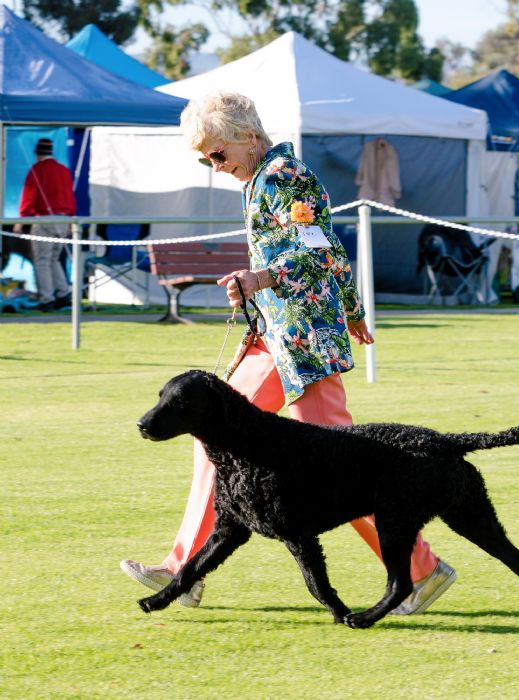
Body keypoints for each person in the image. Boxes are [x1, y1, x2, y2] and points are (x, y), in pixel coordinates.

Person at [121, 91, 456, 614]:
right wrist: (352, 309)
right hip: (273, 341)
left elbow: (317, 252)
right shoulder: (258, 178)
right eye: (205, 160)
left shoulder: (285, 178)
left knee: (342, 471)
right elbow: (331, 248)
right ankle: (184, 570)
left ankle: (422, 571)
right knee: (210, 435)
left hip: (304, 346)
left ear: (249, 137)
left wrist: (263, 279)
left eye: (217, 154)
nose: (215, 166)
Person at [14, 138, 76, 311]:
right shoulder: (64, 170)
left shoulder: (37, 169)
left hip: (44, 219)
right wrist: (71, 220)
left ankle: (46, 298)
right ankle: (63, 293)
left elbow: (29, 195)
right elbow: (71, 197)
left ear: (38, 154)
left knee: (42, 261)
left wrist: (21, 220)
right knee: (54, 259)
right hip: (64, 219)